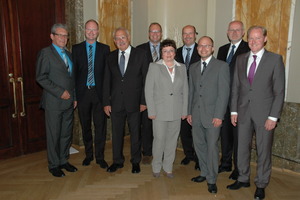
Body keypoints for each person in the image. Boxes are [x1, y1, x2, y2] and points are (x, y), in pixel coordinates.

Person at [227, 26, 285, 200]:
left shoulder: (275, 60)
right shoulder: (240, 59)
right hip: (243, 112)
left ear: (265, 39)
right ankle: (243, 178)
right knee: (242, 148)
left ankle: (261, 184)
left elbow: (279, 91)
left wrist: (273, 117)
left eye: (257, 38)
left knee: (263, 151)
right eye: (251, 38)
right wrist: (234, 110)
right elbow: (236, 87)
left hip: (265, 115)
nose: (253, 42)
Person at [188, 36, 230, 193]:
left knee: (212, 147)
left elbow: (223, 93)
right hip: (196, 114)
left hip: (213, 116)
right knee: (199, 146)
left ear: (212, 48)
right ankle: (204, 172)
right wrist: (189, 112)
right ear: (197, 48)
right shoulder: (192, 67)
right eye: (200, 46)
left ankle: (212, 179)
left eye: (207, 46)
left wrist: (219, 115)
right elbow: (192, 92)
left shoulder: (221, 66)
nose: (203, 48)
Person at [103, 27, 148, 174]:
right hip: (115, 102)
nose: (120, 40)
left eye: (123, 37)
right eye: (117, 38)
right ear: (114, 41)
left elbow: (145, 80)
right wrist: (106, 102)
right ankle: (117, 161)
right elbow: (106, 81)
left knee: (135, 133)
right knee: (116, 134)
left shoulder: (140, 54)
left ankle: (136, 161)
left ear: (128, 38)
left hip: (135, 102)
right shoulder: (110, 57)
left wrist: (144, 101)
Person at [36, 23, 77, 177]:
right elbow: (41, 77)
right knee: (54, 134)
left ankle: (63, 160)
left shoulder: (69, 54)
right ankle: (53, 165)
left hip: (69, 102)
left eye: (65, 35)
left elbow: (71, 78)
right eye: (60, 35)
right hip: (54, 102)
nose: (63, 38)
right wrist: (60, 92)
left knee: (66, 133)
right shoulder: (45, 53)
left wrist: (74, 97)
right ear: (52, 36)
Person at [145, 39, 188, 178]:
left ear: (175, 52)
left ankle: (168, 166)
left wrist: (184, 111)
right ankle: (156, 166)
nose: (168, 54)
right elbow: (148, 90)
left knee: (172, 140)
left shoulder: (182, 67)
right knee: (159, 140)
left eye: (171, 51)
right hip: (159, 112)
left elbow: (185, 90)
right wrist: (151, 111)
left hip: (176, 111)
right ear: (161, 53)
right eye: (165, 51)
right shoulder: (154, 66)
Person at [72, 19, 110, 168]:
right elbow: (73, 75)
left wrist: (108, 97)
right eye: (89, 29)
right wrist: (75, 96)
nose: (91, 32)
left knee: (100, 127)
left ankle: (100, 157)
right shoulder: (76, 49)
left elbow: (107, 75)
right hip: (83, 94)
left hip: (99, 94)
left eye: (94, 30)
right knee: (86, 126)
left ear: (98, 32)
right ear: (84, 31)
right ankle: (89, 155)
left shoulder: (105, 49)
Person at [217, 20, 250, 180]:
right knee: (225, 134)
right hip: (223, 99)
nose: (234, 32)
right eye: (232, 30)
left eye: (238, 30)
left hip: (240, 101)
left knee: (238, 137)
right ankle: (225, 163)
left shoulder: (248, 49)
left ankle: (238, 168)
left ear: (243, 32)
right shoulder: (222, 50)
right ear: (227, 32)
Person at [136, 22, 162, 165]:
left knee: (161, 126)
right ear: (148, 33)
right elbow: (137, 76)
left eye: (157, 32)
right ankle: (147, 152)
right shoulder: (139, 49)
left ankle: (160, 152)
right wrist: (142, 99)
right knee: (146, 125)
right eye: (152, 31)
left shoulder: (168, 49)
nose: (155, 34)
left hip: (163, 96)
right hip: (146, 95)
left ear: (161, 34)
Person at [175, 25, 201, 170]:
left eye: (190, 33)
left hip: (197, 97)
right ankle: (188, 154)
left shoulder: (202, 50)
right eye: (185, 34)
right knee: (184, 129)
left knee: (196, 129)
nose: (188, 36)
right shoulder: (176, 52)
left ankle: (198, 157)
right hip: (180, 97)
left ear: (195, 35)